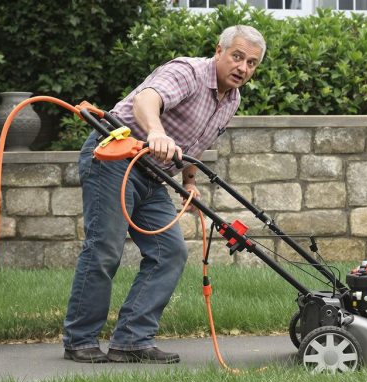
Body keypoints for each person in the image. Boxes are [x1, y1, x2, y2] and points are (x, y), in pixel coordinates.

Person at [63, 25, 266, 364]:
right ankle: (79, 340)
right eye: (237, 57)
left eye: (252, 63)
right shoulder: (188, 72)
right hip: (115, 156)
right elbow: (147, 98)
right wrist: (156, 131)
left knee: (169, 251)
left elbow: (197, 142)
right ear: (219, 51)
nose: (243, 68)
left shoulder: (232, 99)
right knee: (105, 248)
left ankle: (131, 340)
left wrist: (189, 180)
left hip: (152, 176)